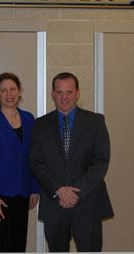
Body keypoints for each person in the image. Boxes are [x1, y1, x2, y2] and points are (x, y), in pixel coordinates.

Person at [29, 72, 114, 252]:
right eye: (59, 92)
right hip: (55, 205)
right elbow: (36, 162)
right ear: (53, 94)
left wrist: (75, 193)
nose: (64, 97)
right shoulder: (40, 125)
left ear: (78, 93)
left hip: (88, 203)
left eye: (69, 92)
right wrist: (59, 190)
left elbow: (101, 161)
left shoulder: (95, 121)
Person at [0, 72, 40, 252]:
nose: (9, 94)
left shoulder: (29, 119)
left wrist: (34, 188)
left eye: (12, 89)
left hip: (22, 192)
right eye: (4, 90)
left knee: (17, 245)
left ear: (19, 92)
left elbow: (34, 157)